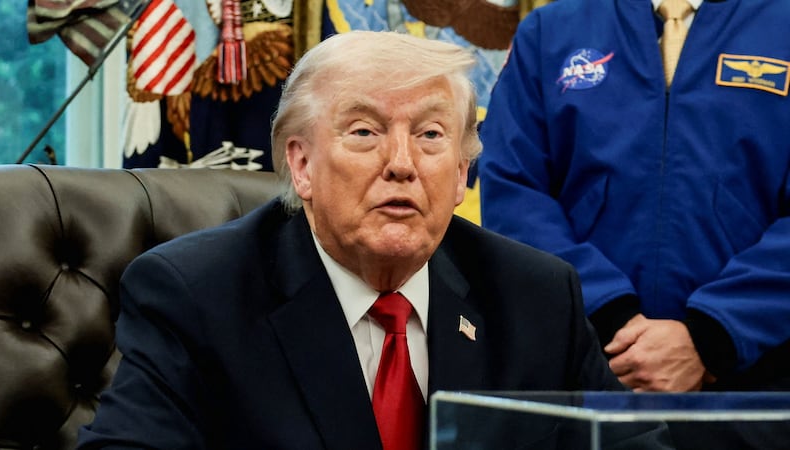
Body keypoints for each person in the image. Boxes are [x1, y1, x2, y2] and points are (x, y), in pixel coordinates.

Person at [76, 31, 670, 449]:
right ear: (302, 164)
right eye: (365, 131)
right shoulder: (196, 295)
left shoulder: (537, 296)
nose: (402, 164)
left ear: (464, 172)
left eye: (432, 135)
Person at [478, 0, 790, 393]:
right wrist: (607, 314)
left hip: (759, 387)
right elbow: (513, 190)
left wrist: (714, 335)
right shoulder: (551, 32)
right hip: (584, 373)